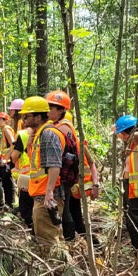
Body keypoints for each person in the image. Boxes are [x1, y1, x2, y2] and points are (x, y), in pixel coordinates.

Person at [45, 90, 100, 243]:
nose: (48, 111)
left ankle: (80, 244)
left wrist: (95, 184)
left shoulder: (64, 131)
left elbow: (91, 162)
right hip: (72, 182)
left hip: (73, 182)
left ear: (62, 111)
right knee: (75, 217)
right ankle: (91, 245)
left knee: (69, 214)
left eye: (51, 107)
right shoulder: (61, 130)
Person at [21, 96, 66, 250]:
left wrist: (49, 193)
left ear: (38, 117)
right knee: (52, 239)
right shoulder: (38, 134)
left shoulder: (48, 134)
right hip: (40, 195)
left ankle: (56, 264)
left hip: (47, 197)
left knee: (49, 242)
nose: (23, 119)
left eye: (26, 116)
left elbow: (54, 165)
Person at [114, 115, 138, 259]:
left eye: (122, 134)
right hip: (129, 187)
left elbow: (135, 135)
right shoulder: (131, 147)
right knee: (130, 222)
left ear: (125, 133)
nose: (121, 138)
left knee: (135, 223)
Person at [0, 111, 16, 211]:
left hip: (7, 161)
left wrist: (6, 158)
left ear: (6, 121)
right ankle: (9, 203)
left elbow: (13, 144)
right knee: (7, 182)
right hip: (6, 160)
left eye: (0, 120)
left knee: (6, 182)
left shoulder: (6, 129)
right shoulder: (4, 130)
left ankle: (9, 203)